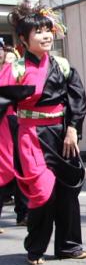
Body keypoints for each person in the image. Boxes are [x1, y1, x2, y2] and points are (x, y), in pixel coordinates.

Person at [0, 0, 86, 265]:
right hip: (31, 135)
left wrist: (73, 128)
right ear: (24, 40)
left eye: (47, 29)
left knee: (67, 189)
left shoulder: (62, 64)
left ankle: (68, 246)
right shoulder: (15, 70)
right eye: (38, 32)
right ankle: (35, 246)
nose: (46, 35)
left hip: (62, 132)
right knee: (42, 191)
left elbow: (77, 98)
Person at [0, 43, 28, 230]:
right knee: (3, 168)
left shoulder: (14, 70)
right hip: (2, 124)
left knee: (21, 166)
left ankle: (23, 213)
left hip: (15, 121)